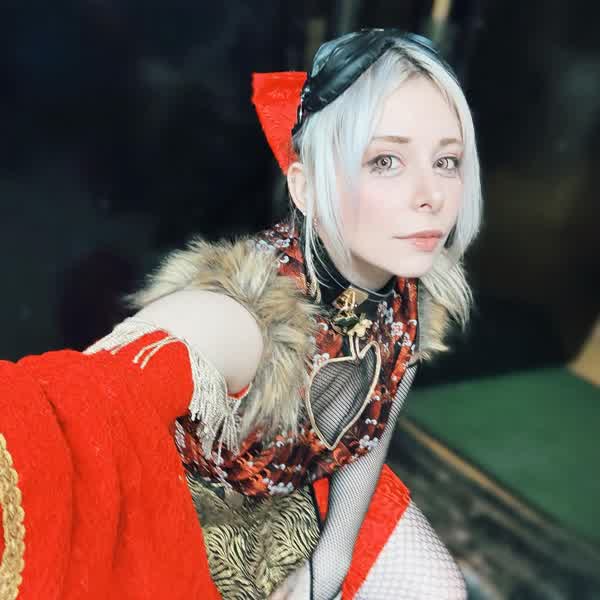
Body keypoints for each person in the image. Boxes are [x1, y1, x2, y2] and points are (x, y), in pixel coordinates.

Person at [0, 29, 480, 600]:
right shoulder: (244, 319)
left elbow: (371, 433)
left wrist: (328, 565)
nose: (431, 195)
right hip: (172, 523)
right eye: (385, 160)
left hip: (294, 500)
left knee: (438, 590)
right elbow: (74, 407)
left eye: (446, 160)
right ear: (306, 186)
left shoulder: (407, 300)